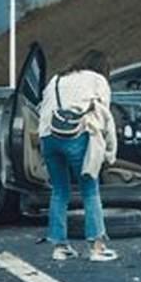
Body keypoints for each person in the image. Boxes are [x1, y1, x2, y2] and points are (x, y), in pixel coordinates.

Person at [38, 49, 119, 262]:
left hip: (48, 137)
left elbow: (42, 111)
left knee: (59, 192)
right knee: (90, 191)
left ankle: (59, 247)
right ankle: (96, 248)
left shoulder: (57, 79)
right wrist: (110, 152)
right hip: (78, 137)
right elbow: (105, 117)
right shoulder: (98, 80)